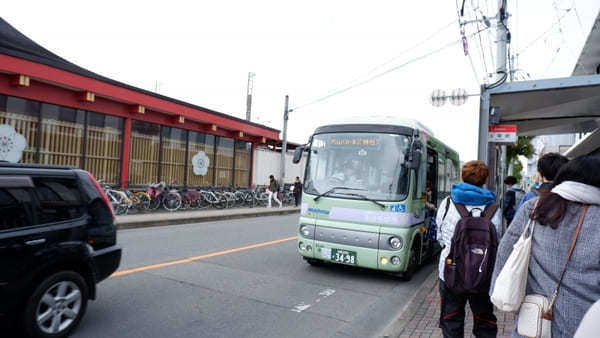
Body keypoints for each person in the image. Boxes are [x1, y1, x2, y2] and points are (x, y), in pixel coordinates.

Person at [491, 155, 600, 337]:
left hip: (534, 322)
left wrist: (503, 292)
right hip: (585, 324)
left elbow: (505, 252)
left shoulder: (534, 207)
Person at [435, 160, 503, 338]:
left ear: (462, 177)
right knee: (484, 320)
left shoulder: (448, 203)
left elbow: (440, 235)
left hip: (451, 272)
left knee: (451, 318)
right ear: (485, 179)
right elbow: (498, 241)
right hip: (483, 274)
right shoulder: (494, 208)